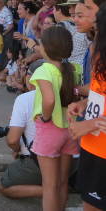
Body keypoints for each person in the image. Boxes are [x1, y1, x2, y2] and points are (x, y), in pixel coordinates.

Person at [30, 26, 80, 211]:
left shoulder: (44, 70)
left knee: (49, 186)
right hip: (70, 130)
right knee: (62, 182)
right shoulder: (73, 69)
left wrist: (45, 117)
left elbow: (49, 99)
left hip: (50, 129)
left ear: (47, 47)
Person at [68, 0, 106, 211]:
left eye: (87, 9)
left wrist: (88, 125)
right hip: (93, 146)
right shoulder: (98, 49)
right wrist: (84, 104)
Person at [0, 60, 44, 199]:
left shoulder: (26, 98)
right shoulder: (68, 94)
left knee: (4, 185)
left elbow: (12, 140)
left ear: (31, 78)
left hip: (41, 158)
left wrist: (17, 149)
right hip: (73, 161)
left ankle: (52, 191)